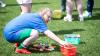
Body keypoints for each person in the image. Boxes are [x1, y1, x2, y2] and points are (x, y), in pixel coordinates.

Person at [3, 8, 72, 54]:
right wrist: (60, 41)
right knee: (35, 33)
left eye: (50, 17)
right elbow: (47, 33)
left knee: (31, 31)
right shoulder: (38, 20)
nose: (49, 19)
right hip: (11, 35)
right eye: (48, 16)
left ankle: (19, 43)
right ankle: (20, 48)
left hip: (8, 33)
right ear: (43, 14)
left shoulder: (34, 16)